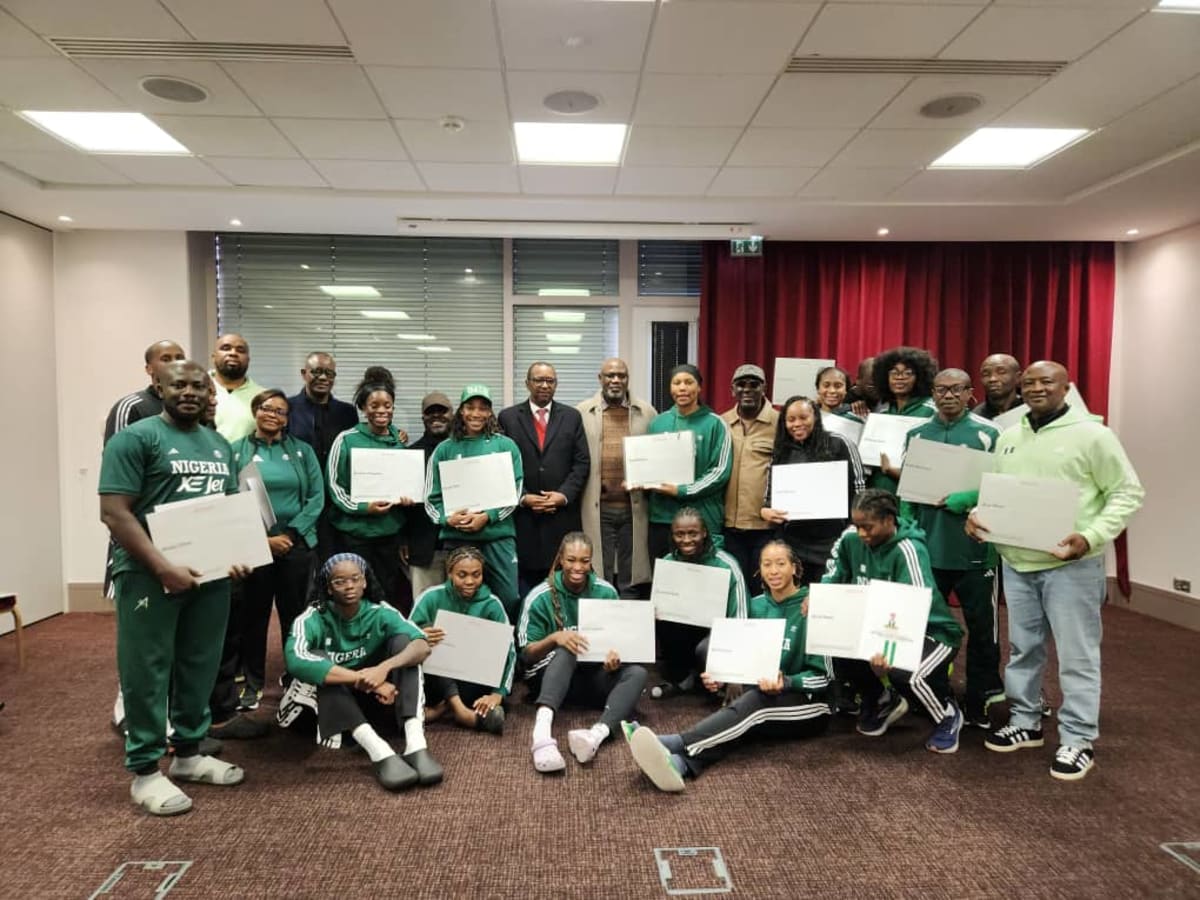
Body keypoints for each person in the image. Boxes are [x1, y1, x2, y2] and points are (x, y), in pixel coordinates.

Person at [968, 361, 1144, 781]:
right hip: (1017, 561)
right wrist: (976, 516)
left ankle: (1078, 739)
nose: (1036, 388)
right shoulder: (1009, 437)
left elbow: (1126, 492)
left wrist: (1091, 535)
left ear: (1067, 387)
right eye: (1028, 382)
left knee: (1077, 655)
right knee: (1023, 649)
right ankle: (1026, 722)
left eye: (1046, 381)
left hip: (1072, 566)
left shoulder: (1094, 436)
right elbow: (996, 493)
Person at [98, 359, 249, 816]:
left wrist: (235, 552)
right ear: (157, 386)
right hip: (149, 576)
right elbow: (115, 512)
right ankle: (145, 771)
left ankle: (187, 754)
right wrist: (162, 567)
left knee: (199, 663)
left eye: (197, 386)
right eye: (177, 384)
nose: (188, 392)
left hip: (209, 575)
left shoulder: (218, 444)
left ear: (210, 394)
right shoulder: (135, 439)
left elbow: (223, 510)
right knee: (148, 668)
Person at [625, 540, 832, 793]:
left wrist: (788, 682)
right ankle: (683, 764)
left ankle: (673, 743)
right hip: (766, 694)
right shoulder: (755, 607)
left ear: (795, 568)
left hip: (810, 704)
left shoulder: (810, 608)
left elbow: (825, 679)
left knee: (754, 706)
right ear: (759, 570)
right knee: (741, 720)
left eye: (781, 564)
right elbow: (742, 658)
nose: (773, 571)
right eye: (767, 564)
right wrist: (721, 677)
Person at [279, 553, 442, 790]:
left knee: (404, 644)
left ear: (365, 581)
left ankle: (416, 742)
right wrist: (367, 679)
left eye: (355, 579)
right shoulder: (311, 618)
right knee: (318, 661)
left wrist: (384, 667)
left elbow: (421, 644)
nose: (349, 586)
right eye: (340, 582)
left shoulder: (380, 611)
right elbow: (297, 661)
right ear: (328, 587)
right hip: (312, 710)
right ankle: (379, 750)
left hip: (368, 702)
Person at [822, 489, 966, 754]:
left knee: (906, 672)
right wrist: (819, 600)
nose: (862, 533)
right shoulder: (851, 540)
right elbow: (836, 574)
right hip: (874, 626)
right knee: (830, 642)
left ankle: (948, 714)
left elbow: (913, 610)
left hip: (932, 632)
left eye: (868, 527)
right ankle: (880, 697)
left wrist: (886, 646)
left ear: (890, 520)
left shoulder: (909, 549)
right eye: (857, 526)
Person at [900, 369, 1003, 727]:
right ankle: (934, 692)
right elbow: (907, 491)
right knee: (926, 627)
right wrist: (907, 528)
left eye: (956, 389)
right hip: (929, 549)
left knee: (982, 629)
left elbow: (1003, 483)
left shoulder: (988, 433)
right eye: (941, 390)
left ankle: (981, 697)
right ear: (932, 393)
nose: (948, 395)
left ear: (969, 393)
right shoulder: (916, 434)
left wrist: (967, 498)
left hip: (976, 550)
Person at [103, 339, 186, 737]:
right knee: (141, 638)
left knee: (176, 638)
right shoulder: (130, 409)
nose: (173, 365)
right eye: (165, 359)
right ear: (149, 369)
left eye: (179, 358)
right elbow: (119, 488)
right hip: (141, 547)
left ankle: (169, 715)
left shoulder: (191, 414)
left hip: (184, 543)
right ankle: (129, 710)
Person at [517, 532, 648, 773]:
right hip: (548, 678)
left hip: (590, 679)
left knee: (638, 674)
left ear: (591, 561)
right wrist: (555, 638)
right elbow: (526, 655)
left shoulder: (606, 592)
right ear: (560, 560)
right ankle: (542, 732)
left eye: (584, 561)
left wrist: (614, 660)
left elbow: (618, 642)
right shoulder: (539, 595)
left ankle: (595, 736)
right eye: (571, 560)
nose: (578, 567)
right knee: (568, 649)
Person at [228, 389, 324, 709]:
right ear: (256, 411)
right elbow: (229, 499)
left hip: (295, 547)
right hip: (254, 546)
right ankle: (253, 684)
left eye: (281, 411)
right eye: (267, 408)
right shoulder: (236, 451)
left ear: (287, 418)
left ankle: (296, 679)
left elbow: (316, 497)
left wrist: (291, 534)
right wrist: (264, 539)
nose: (273, 415)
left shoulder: (302, 451)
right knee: (253, 618)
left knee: (294, 616)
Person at [424, 384, 524, 619]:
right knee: (459, 602)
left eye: (482, 408)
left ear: (490, 412)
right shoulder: (444, 449)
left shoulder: (505, 446)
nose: (476, 414)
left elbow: (516, 491)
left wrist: (486, 516)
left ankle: (504, 651)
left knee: (509, 597)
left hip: (497, 536)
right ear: (461, 411)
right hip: (458, 538)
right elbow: (431, 499)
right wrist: (447, 519)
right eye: (470, 407)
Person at [498, 362, 591, 596]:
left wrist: (564, 495)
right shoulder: (508, 417)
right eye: (538, 380)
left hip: (561, 518)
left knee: (561, 584)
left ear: (556, 385)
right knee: (524, 587)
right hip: (524, 519)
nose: (544, 385)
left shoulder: (572, 417)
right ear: (527, 383)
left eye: (550, 381)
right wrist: (523, 497)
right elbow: (500, 467)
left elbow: (582, 463)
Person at [326, 373, 413, 611]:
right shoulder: (347, 439)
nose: (381, 411)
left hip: (389, 533)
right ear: (363, 407)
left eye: (387, 405)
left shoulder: (399, 440)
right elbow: (334, 486)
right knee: (353, 592)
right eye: (374, 405)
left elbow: (405, 482)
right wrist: (365, 507)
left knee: (386, 592)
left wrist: (407, 497)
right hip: (355, 534)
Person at [760, 395, 864, 586]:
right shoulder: (782, 450)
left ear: (815, 417)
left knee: (826, 600)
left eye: (803, 418)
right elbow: (769, 497)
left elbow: (859, 488)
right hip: (793, 542)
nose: (797, 424)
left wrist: (853, 525)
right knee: (796, 599)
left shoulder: (839, 443)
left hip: (832, 540)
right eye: (791, 420)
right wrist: (765, 511)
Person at [410, 545, 514, 734]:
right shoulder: (430, 597)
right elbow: (406, 636)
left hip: (474, 680)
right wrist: (421, 634)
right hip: (436, 680)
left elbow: (510, 652)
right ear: (449, 573)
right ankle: (462, 712)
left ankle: (443, 709)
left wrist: (498, 694)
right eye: (462, 575)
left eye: (476, 574)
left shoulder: (492, 604)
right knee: (436, 642)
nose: (470, 581)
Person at [576, 358, 657, 597]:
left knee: (631, 575)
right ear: (600, 379)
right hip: (598, 508)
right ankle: (601, 623)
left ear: (627, 379)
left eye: (621, 376)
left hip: (634, 508)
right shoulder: (581, 412)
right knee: (600, 571)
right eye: (610, 375)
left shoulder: (647, 412)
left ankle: (629, 625)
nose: (615, 380)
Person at [650, 507, 748, 700]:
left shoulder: (727, 565)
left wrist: (735, 674)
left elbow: (740, 620)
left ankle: (711, 681)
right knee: (662, 621)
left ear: (704, 533)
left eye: (692, 533)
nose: (686, 540)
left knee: (706, 648)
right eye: (680, 534)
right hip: (686, 630)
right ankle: (684, 678)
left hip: (718, 634)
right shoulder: (669, 562)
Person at [644, 364, 733, 562]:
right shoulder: (657, 423)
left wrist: (681, 490)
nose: (682, 388)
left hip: (703, 518)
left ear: (699, 387)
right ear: (670, 388)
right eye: (676, 383)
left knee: (703, 582)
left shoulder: (716, 424)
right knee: (665, 584)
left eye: (688, 382)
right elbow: (648, 464)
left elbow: (720, 472)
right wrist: (638, 479)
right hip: (662, 518)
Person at [720, 364, 778, 596]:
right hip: (729, 525)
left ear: (764, 388)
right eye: (741, 384)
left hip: (764, 526)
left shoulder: (780, 422)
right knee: (733, 588)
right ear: (732, 390)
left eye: (754, 385)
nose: (747, 390)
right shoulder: (721, 422)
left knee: (761, 588)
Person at [404, 392, 454, 597]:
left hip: (459, 544)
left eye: (442, 411)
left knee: (461, 614)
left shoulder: (466, 451)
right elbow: (402, 509)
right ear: (422, 417)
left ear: (452, 414)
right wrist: (403, 539)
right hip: (423, 547)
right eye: (430, 412)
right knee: (425, 613)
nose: (436, 416)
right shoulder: (410, 455)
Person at [872, 346, 938, 492]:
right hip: (878, 491)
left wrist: (894, 471)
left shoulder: (931, 410)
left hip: (912, 495)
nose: (899, 377)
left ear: (920, 377)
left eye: (908, 373)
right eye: (894, 373)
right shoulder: (882, 412)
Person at [209, 333, 263, 442]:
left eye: (240, 350)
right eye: (226, 348)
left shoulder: (262, 397)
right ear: (213, 356)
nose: (233, 353)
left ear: (248, 360)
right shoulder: (197, 389)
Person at [973, 353, 1023, 420]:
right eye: (986, 374)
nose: (992, 379)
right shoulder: (977, 417)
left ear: (1018, 377)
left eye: (1001, 372)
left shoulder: (1031, 410)